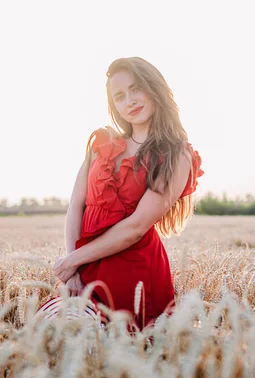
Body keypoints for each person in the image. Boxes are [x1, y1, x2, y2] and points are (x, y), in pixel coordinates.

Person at [48, 57, 204, 330]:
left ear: (154, 88)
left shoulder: (175, 155)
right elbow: (76, 206)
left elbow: (136, 227)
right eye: (119, 96)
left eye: (136, 89)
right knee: (56, 336)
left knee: (122, 350)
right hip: (82, 268)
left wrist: (72, 260)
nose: (129, 101)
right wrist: (72, 271)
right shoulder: (102, 143)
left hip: (134, 277)